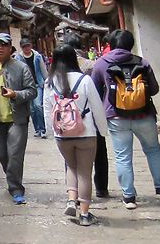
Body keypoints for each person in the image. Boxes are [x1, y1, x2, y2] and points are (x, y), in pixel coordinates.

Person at [91, 29, 160, 209]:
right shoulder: (142, 62)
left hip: (116, 117)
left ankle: (129, 196)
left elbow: (95, 92)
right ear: (131, 45)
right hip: (144, 114)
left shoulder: (101, 64)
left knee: (123, 157)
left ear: (111, 45)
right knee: (153, 150)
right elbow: (154, 89)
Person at [42, 45, 109, 226]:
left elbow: (47, 109)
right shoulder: (84, 80)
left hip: (63, 135)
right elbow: (97, 107)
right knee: (85, 172)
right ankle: (85, 214)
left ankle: (72, 200)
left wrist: (53, 132)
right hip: (85, 133)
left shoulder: (49, 82)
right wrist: (103, 130)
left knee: (71, 167)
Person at [0, 33, 37, 204]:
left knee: (15, 155)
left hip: (17, 119)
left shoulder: (21, 67)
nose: (0, 48)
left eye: (4, 44)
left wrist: (15, 94)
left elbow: (32, 91)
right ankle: (13, 175)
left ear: (11, 47)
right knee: (2, 154)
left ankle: (16, 188)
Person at [64, 32, 109, 198]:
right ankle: (101, 188)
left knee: (71, 160)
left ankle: (73, 192)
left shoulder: (60, 70)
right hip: (91, 116)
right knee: (99, 153)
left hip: (68, 119)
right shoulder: (93, 65)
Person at [16, 38, 48, 138]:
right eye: (24, 46)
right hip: (26, 86)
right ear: (21, 47)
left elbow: (43, 70)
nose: (27, 48)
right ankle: (37, 129)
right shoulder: (18, 58)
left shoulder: (37, 56)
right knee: (32, 109)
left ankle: (42, 129)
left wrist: (47, 81)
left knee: (38, 106)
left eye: (28, 46)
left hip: (38, 84)